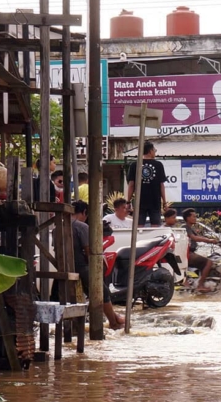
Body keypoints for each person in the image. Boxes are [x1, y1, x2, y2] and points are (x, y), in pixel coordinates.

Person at [71, 200, 124, 329]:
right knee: (102, 291)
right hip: (81, 267)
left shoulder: (59, 227)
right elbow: (90, 252)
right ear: (84, 212)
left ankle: (114, 318)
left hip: (64, 267)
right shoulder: (81, 227)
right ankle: (113, 322)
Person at [128, 141, 168, 226]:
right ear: (150, 151)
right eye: (154, 150)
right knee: (155, 228)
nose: (155, 152)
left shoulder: (134, 165)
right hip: (155, 201)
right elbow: (161, 185)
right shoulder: (158, 165)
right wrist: (164, 202)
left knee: (138, 228)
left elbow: (131, 185)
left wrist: (128, 201)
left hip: (139, 201)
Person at [182, 208, 219, 294]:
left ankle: (199, 281)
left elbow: (200, 237)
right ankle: (200, 285)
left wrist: (212, 239)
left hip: (190, 253)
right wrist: (209, 241)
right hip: (187, 254)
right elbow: (195, 238)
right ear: (188, 218)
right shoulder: (185, 227)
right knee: (209, 262)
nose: (195, 218)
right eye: (193, 216)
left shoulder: (191, 228)